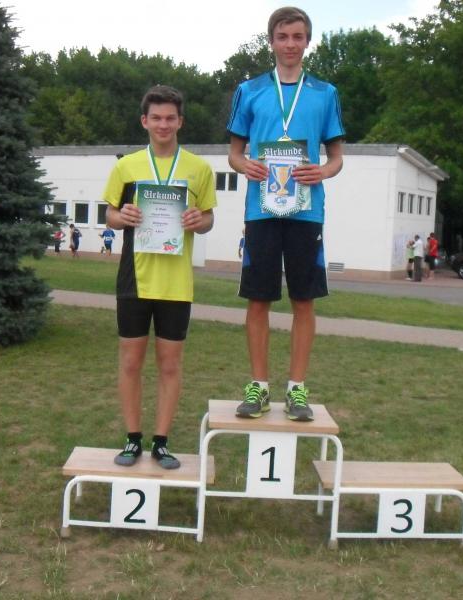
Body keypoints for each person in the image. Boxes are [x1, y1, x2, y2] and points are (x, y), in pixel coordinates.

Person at [228, 6, 344, 421]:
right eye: (283, 36)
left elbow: (336, 158)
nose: (290, 44)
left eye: (297, 36)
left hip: (306, 211)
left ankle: (297, 389)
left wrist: (322, 171)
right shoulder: (250, 90)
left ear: (307, 41)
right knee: (258, 299)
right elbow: (234, 154)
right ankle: (258, 387)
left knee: (303, 299)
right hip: (261, 210)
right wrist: (246, 166)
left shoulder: (325, 93)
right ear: (271, 41)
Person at [103, 85, 216, 469]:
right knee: (130, 362)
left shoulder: (199, 169)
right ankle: (133, 438)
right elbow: (110, 215)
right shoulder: (127, 166)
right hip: (134, 279)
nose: (163, 124)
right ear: (144, 121)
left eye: (170, 118)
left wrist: (199, 219)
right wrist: (122, 217)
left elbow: (208, 219)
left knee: (170, 365)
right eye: (156, 118)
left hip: (176, 283)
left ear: (180, 121)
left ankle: (161, 442)